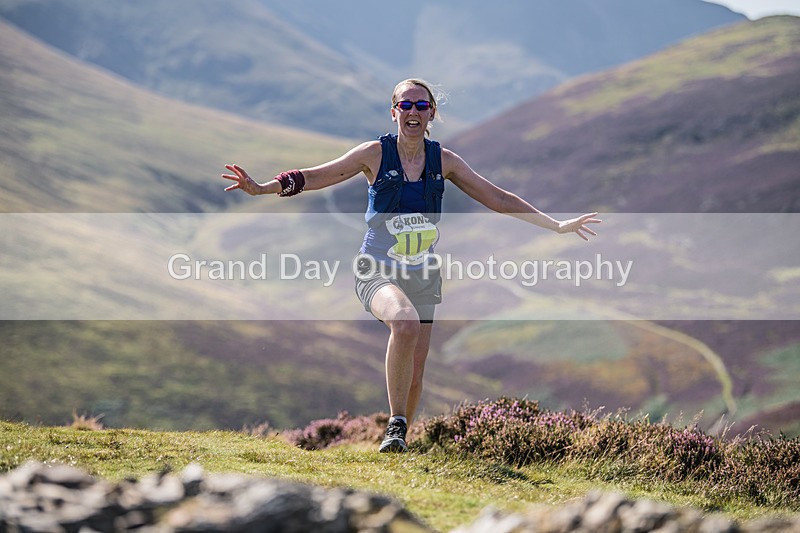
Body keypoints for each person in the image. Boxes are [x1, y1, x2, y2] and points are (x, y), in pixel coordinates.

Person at [222, 78, 601, 453]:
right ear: (394, 112)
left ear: (432, 112)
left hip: (423, 274)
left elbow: (497, 198)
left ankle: (399, 437)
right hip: (377, 268)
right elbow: (319, 175)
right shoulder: (374, 154)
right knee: (404, 324)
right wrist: (263, 188)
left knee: (416, 371)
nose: (413, 112)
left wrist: (556, 225)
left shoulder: (445, 161)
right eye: (406, 105)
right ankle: (395, 426)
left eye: (421, 105)